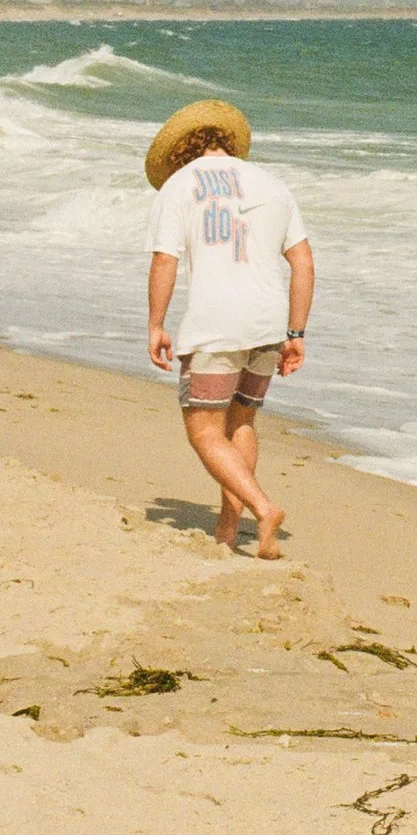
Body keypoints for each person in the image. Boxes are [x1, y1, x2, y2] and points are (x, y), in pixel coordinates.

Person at [142, 99, 314, 558]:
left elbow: (165, 260)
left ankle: (262, 507)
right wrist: (296, 333)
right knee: (241, 420)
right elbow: (302, 260)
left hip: (216, 321)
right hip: (268, 321)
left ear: (179, 152)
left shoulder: (179, 186)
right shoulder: (273, 185)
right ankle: (228, 524)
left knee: (203, 430)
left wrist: (156, 324)